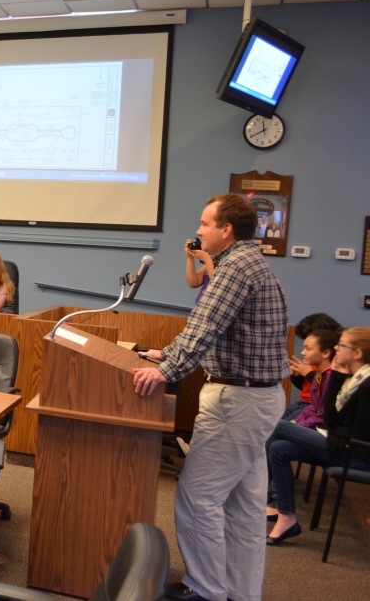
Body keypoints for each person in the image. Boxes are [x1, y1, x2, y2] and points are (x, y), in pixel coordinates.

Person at [132, 194, 289, 601]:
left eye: (205, 224)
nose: (198, 231)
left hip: (238, 402)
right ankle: (239, 593)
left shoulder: (234, 266)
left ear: (226, 230)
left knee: (197, 498)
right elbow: (214, 330)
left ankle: (205, 590)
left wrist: (164, 370)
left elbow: (205, 327)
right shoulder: (251, 262)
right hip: (259, 398)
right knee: (244, 509)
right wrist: (167, 352)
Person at [265, 328, 370, 544]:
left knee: (277, 426)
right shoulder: (351, 377)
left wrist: (328, 430)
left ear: (357, 353)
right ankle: (286, 516)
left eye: (342, 345)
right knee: (279, 449)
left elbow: (354, 432)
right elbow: (331, 418)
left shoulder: (367, 385)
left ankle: (262, 496)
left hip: (353, 454)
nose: (336, 349)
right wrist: (339, 375)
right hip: (338, 443)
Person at [285, 312, 343, 419]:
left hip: (312, 406)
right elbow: (306, 387)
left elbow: (327, 388)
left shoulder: (334, 363)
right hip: (302, 402)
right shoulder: (313, 359)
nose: (303, 352)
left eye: (309, 347)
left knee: (281, 427)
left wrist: (308, 373)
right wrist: (296, 374)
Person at [184, 237, 214, 303]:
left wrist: (207, 259)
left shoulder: (227, 261)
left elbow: (218, 285)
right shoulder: (214, 261)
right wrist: (190, 256)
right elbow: (194, 282)